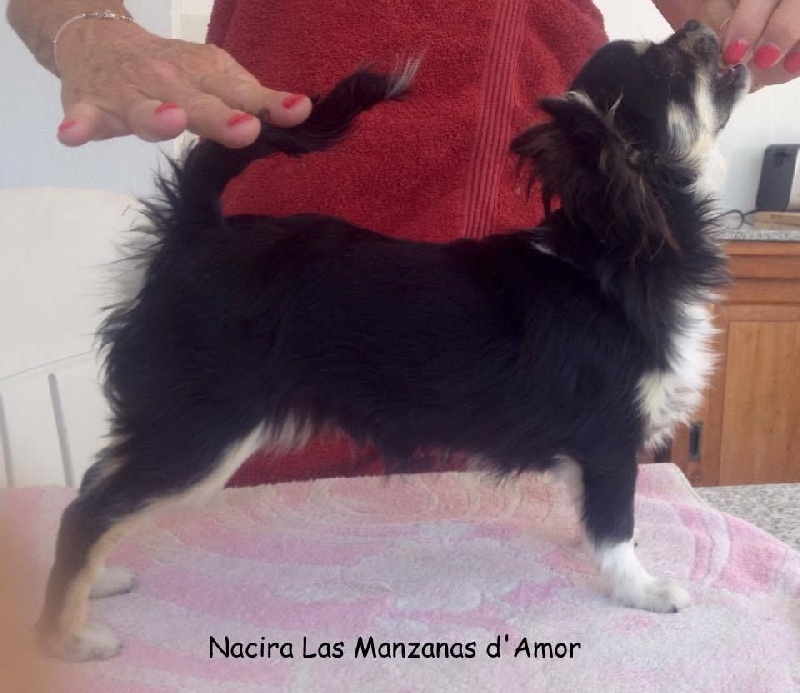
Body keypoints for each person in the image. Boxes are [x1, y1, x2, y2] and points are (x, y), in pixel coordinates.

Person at [7, 0, 800, 485]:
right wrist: (87, 24)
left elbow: (722, 15)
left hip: (554, 303)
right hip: (292, 290)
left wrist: (756, 25)